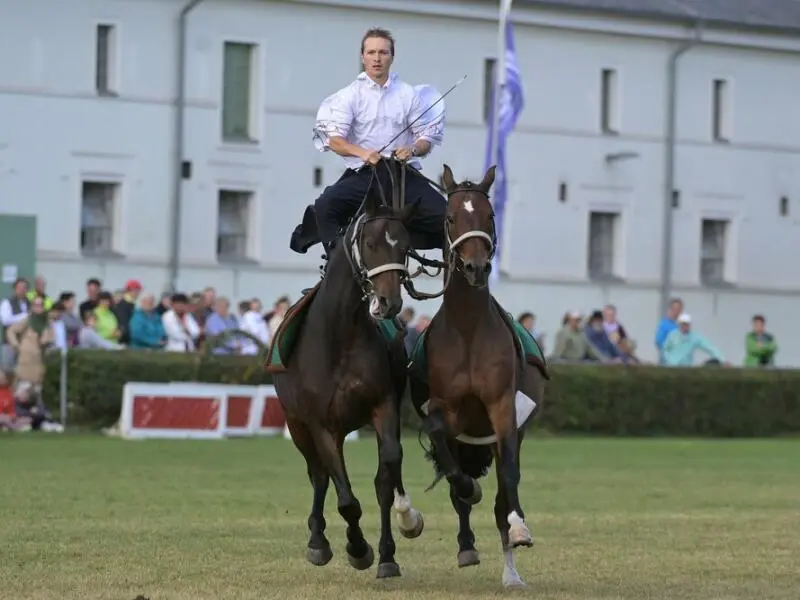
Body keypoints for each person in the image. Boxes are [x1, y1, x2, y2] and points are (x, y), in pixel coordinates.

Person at [290, 27, 447, 274]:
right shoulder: (349, 95)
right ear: (362, 57)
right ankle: (338, 264)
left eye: (383, 52)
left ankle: (457, 277)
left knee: (452, 221)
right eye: (371, 52)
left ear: (391, 57)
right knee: (324, 207)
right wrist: (364, 153)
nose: (377, 58)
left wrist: (414, 149)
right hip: (365, 174)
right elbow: (335, 141)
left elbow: (426, 138)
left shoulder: (408, 94)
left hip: (404, 177)